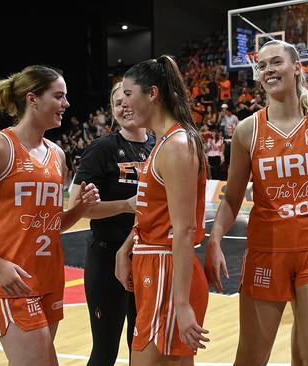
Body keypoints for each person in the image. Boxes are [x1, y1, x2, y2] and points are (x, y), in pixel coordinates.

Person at [204, 40, 308, 365]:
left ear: (296, 68)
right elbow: (232, 197)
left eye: (275, 62)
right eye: (262, 65)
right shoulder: (248, 130)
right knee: (250, 357)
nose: (268, 70)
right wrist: (215, 239)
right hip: (267, 250)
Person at [0, 65, 99, 365]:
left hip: (48, 278)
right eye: (59, 96)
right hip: (10, 282)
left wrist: (80, 210)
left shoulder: (57, 154)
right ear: (33, 99)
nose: (66, 104)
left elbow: (50, 225)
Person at [114, 56, 209, 365]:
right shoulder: (165, 142)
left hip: (166, 270)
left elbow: (183, 230)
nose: (124, 103)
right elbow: (153, 210)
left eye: (128, 94)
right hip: (154, 265)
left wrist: (182, 304)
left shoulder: (176, 144)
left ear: (152, 93)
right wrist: (126, 248)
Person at [70, 81, 155, 366]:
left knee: (141, 347)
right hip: (106, 257)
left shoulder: (161, 145)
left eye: (129, 98)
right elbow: (78, 209)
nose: (123, 107)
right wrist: (125, 205)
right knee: (105, 350)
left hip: (148, 259)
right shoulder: (101, 150)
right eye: (117, 102)